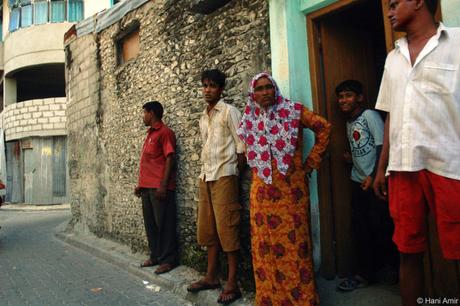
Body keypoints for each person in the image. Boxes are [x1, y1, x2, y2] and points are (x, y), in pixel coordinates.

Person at [373, 1, 460, 305]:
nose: (389, 11)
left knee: (457, 250)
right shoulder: (393, 58)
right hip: (402, 168)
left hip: (450, 166)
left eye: (395, 3)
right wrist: (381, 168)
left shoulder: (457, 44)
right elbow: (390, 115)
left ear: (420, 2)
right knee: (407, 250)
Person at [237, 72, 331, 306]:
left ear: (275, 89)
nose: (265, 92)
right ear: (253, 93)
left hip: (291, 194)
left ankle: (302, 299)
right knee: (264, 247)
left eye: (269, 87)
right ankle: (269, 298)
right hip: (261, 194)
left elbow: (325, 128)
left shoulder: (293, 111)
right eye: (259, 89)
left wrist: (310, 164)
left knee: (294, 245)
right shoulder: (249, 119)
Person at [187, 69, 245, 305]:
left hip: (225, 176)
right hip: (206, 176)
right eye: (204, 85)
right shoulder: (203, 117)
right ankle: (211, 276)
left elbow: (243, 146)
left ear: (221, 89)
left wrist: (234, 175)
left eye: (212, 86)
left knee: (228, 229)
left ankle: (233, 283)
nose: (207, 90)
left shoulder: (230, 112)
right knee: (209, 230)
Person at [335, 80, 398, 291]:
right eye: (341, 96)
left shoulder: (370, 116)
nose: (344, 100)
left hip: (376, 182)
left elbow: (382, 146)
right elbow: (364, 147)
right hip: (358, 180)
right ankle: (364, 274)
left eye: (349, 95)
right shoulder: (349, 122)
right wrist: (351, 160)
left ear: (360, 97)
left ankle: (390, 268)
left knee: (382, 225)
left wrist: (374, 175)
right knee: (360, 228)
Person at [134, 101, 178, 275]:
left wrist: (163, 185)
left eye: (144, 113)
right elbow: (149, 163)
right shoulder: (149, 134)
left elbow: (169, 158)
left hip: (160, 188)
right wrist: (141, 185)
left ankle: (169, 260)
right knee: (150, 224)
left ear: (152, 113)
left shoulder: (165, 133)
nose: (143, 116)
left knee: (165, 224)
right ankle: (155, 256)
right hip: (147, 187)